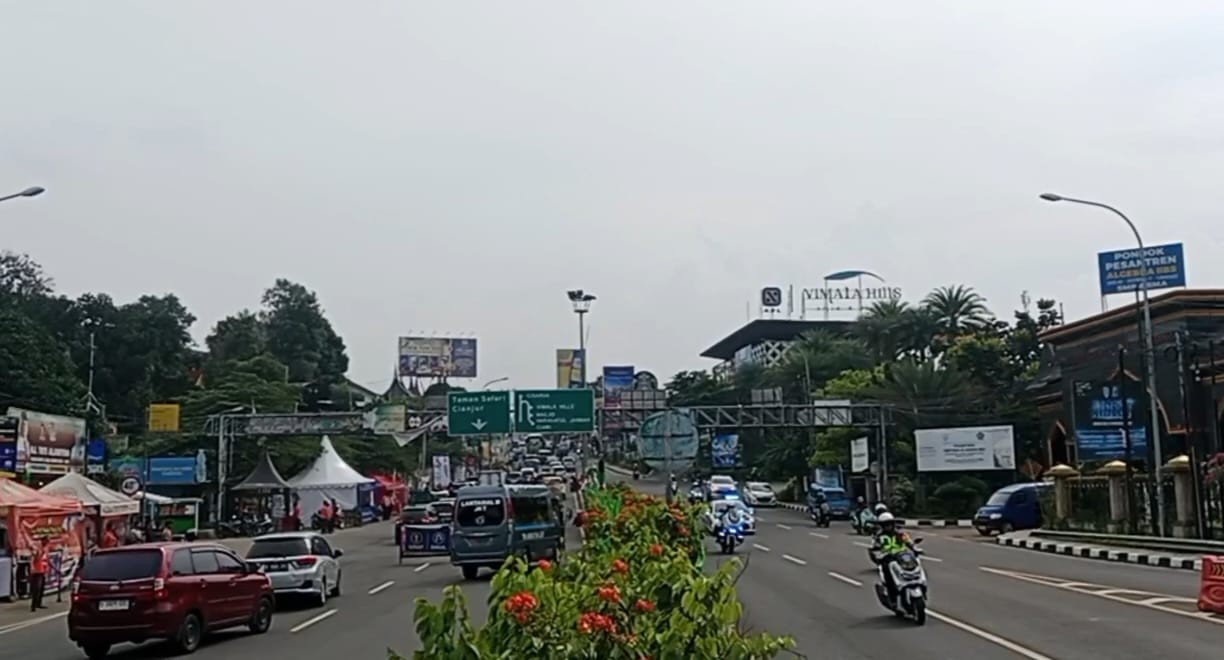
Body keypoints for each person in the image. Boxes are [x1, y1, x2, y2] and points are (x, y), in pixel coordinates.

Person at [873, 512, 915, 604]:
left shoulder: (899, 534)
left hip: (902, 556)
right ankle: (893, 597)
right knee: (888, 573)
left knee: (914, 567)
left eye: (890, 524)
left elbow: (908, 541)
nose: (888, 526)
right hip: (888, 559)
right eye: (886, 525)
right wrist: (878, 555)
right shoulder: (879, 536)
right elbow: (875, 548)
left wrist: (914, 548)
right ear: (882, 526)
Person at [29, 541, 49, 611]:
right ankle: (33, 605)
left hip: (42, 570)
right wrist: (32, 567)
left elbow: (46, 560)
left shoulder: (45, 549)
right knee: (36, 588)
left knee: (41, 588)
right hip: (37, 570)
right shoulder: (37, 549)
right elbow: (32, 558)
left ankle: (38, 603)